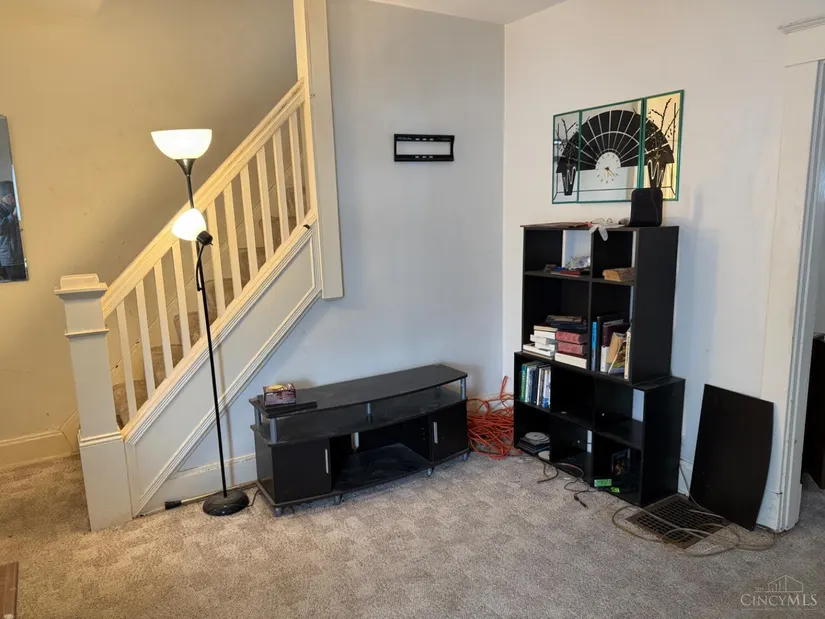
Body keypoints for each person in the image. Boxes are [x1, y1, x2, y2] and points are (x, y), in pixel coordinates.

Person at [0, 180, 25, 280]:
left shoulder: (17, 207)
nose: (13, 198)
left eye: (14, 195)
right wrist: (13, 216)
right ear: (4, 197)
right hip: (8, 260)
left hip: (22, 257)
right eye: (11, 196)